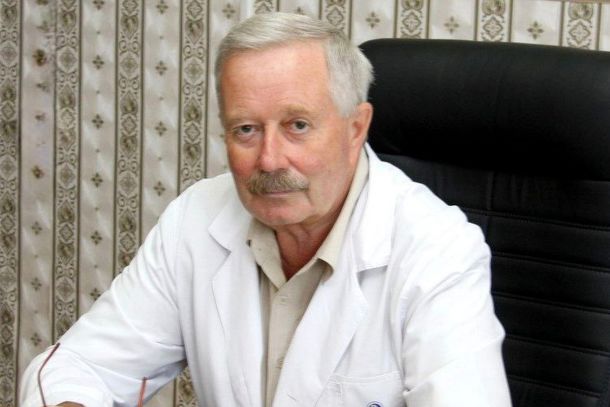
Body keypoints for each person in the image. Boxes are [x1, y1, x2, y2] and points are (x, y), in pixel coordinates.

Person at [20, 12, 512, 407]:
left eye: (297, 125)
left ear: (355, 128)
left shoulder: (437, 250)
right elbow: (81, 365)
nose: (270, 160)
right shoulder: (196, 219)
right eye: (246, 130)